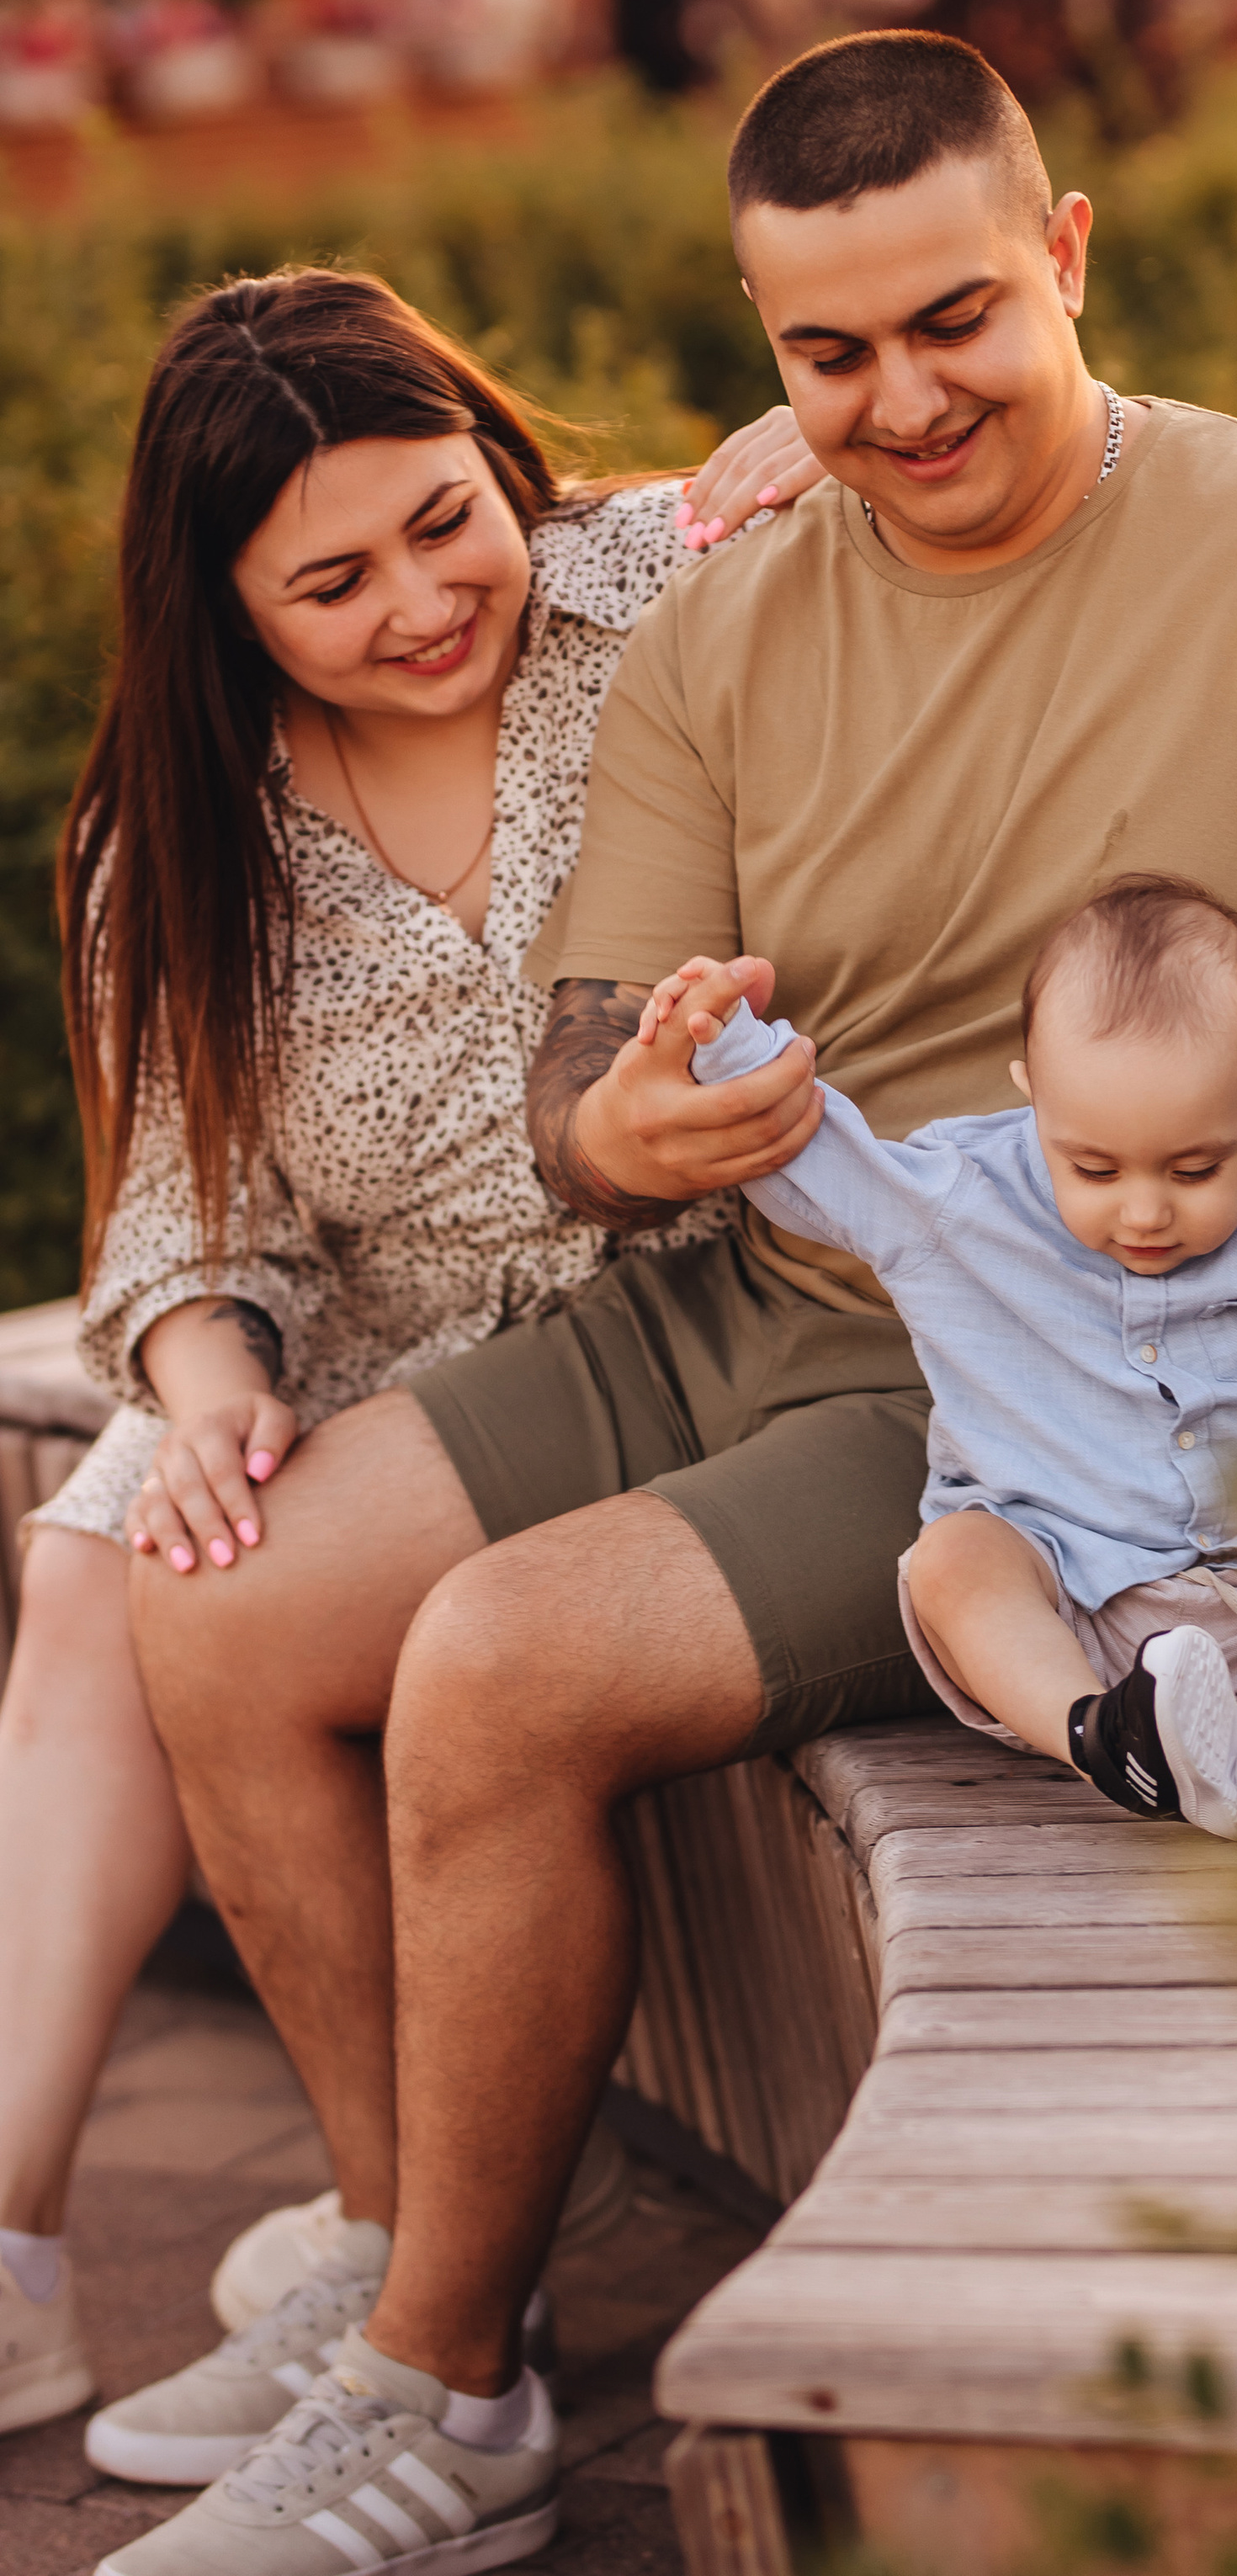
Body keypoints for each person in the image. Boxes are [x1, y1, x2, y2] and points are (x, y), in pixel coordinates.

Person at [106, 29, 1237, 2576]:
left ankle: (445, 2387)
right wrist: (624, 1121)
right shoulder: (729, 636)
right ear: (762, 336)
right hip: (749, 1278)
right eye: (823, 352)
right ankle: (429, 2264)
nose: (898, 398)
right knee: (211, 1625)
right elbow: (573, 1073)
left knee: (500, 1661)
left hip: (1079, 1385)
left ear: (1063, 250)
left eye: (952, 317)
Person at [0, 265, 821, 2456]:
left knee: (140, 1577)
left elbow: (983, 467)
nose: (423, 603)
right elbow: (190, 1223)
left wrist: (816, 433)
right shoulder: (177, 843)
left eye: (446, 520)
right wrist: (198, 1385)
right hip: (371, 1351)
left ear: (494, 453)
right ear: (226, 607)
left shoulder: (650, 588)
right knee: (140, 1531)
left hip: (700, 1299)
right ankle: (359, 2255)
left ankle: (378, 2274)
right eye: (331, 582)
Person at [654, 874, 1237, 1850]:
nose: (1145, 1211)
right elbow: (819, 1164)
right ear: (1035, 1105)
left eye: (1197, 1169)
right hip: (1072, 1607)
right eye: (1095, 1168)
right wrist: (726, 1043)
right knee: (954, 1560)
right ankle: (1107, 1740)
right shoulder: (965, 1196)